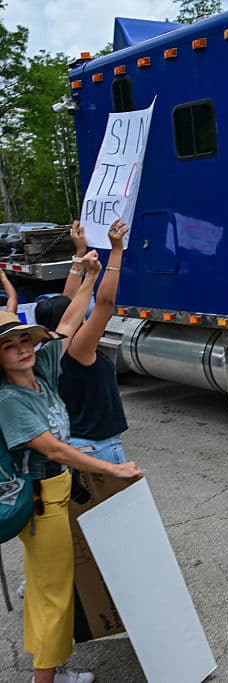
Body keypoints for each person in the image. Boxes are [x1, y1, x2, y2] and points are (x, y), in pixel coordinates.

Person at [0, 250, 142, 683]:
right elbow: (54, 450)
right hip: (42, 501)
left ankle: (52, 669)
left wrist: (90, 274)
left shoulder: (40, 369)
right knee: (53, 594)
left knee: (48, 588)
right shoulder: (9, 399)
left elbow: (68, 322)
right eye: (10, 346)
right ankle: (47, 678)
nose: (23, 349)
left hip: (56, 495)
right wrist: (111, 470)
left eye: (25, 341)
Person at [33, 220, 130, 463]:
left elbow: (69, 302)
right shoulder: (79, 350)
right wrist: (116, 251)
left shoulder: (51, 349)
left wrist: (79, 254)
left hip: (77, 444)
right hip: (99, 449)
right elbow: (105, 304)